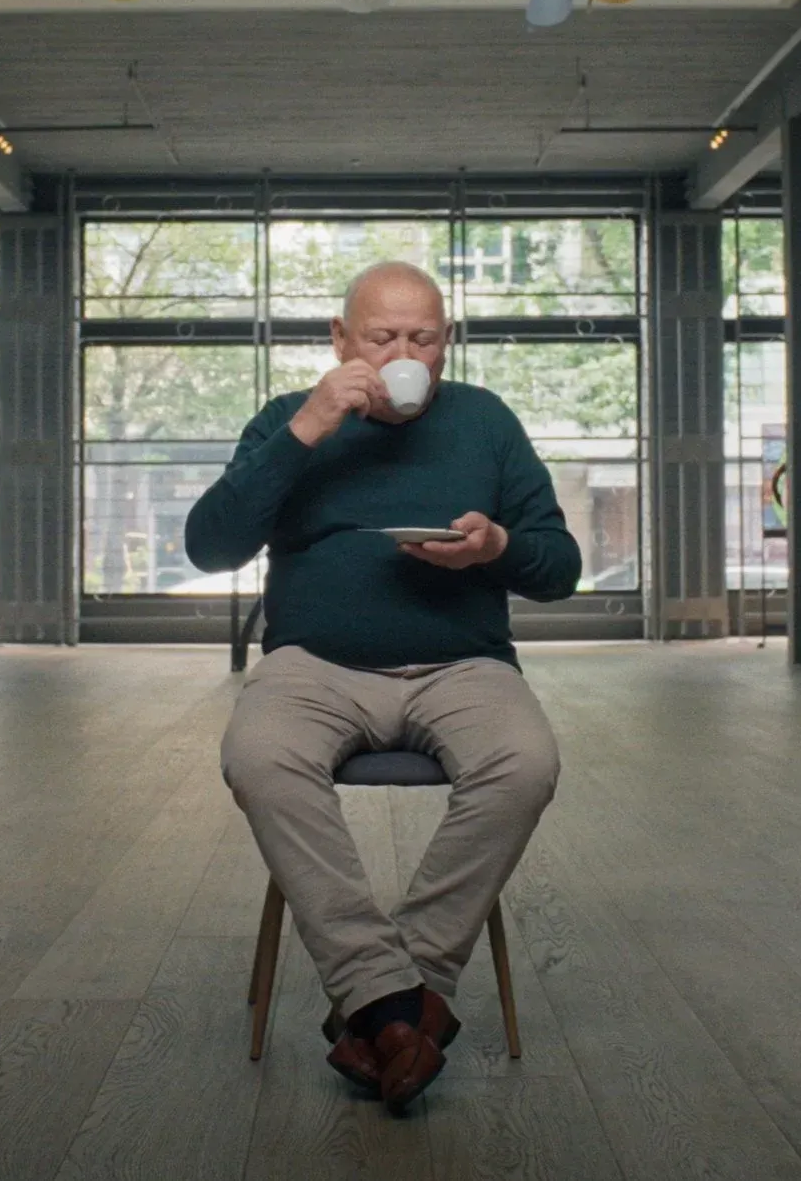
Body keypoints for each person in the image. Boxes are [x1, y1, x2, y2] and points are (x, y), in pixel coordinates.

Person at [185, 261, 581, 1115]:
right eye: (383, 337)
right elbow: (209, 547)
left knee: (525, 761)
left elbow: (562, 569)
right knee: (257, 753)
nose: (406, 353)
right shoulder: (291, 421)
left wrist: (498, 548)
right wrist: (307, 427)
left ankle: (394, 999)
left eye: (423, 338)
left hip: (462, 666)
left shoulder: (485, 422)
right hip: (314, 665)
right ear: (340, 340)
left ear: (447, 343)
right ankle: (402, 1006)